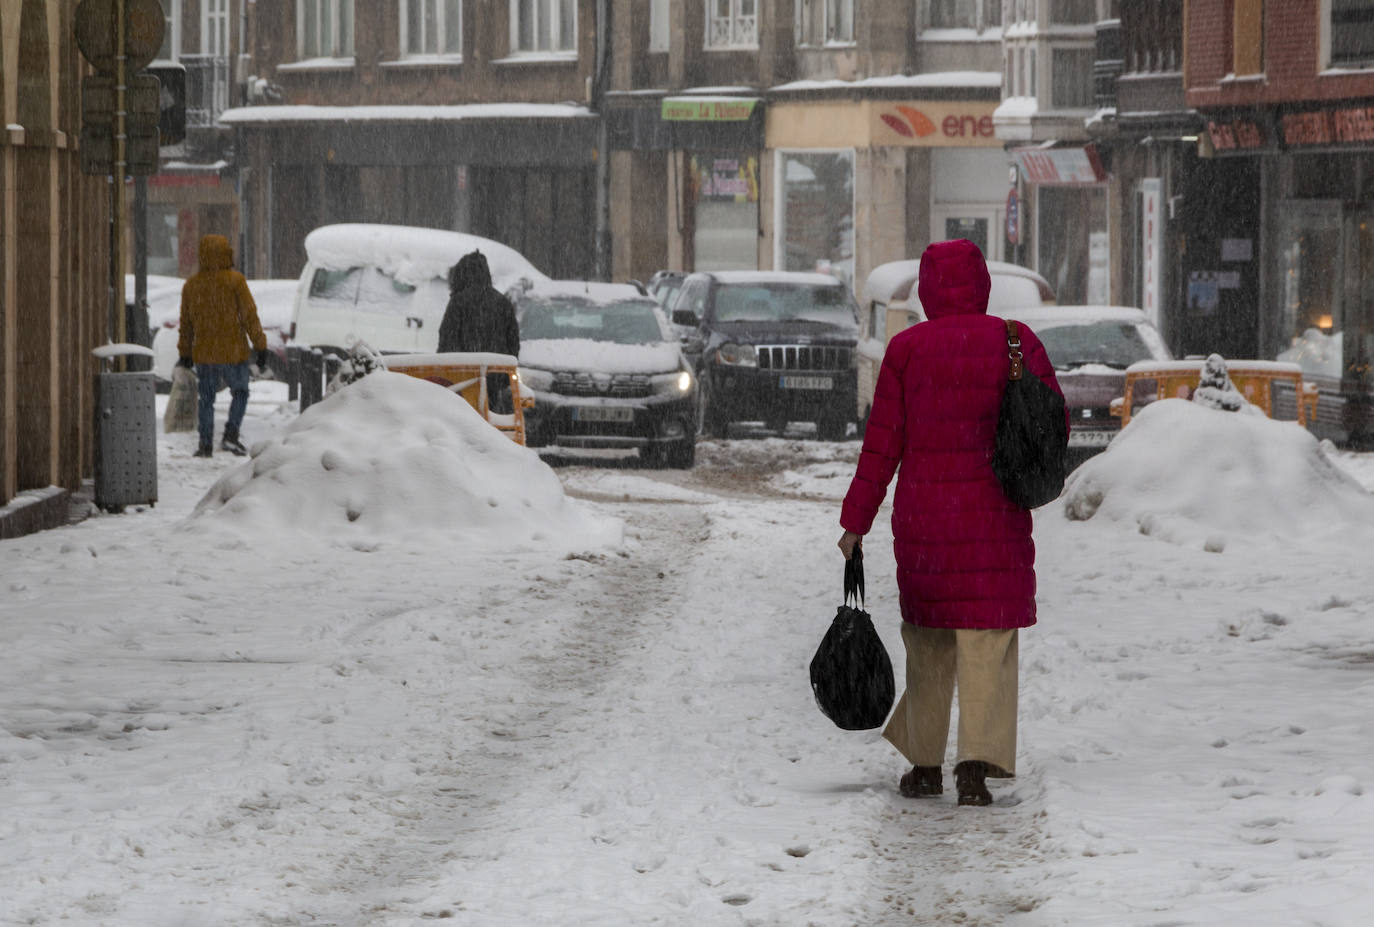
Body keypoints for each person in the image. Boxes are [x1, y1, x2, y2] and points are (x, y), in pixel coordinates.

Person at [836, 239, 1065, 807]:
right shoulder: (1016, 341)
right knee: (988, 644)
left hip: (926, 530)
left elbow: (881, 447)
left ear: (928, 290)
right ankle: (977, 765)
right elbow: (1049, 419)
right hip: (996, 522)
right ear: (982, 283)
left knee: (930, 644)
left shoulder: (907, 350)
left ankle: (922, 764)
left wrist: (855, 522)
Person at [177, 234, 268, 458]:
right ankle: (231, 435)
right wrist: (260, 346)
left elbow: (186, 324)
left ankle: (205, 443)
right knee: (241, 392)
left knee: (206, 399)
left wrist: (185, 353)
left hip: (205, 354)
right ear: (226, 253)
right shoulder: (235, 281)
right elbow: (249, 316)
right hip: (233, 353)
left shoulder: (192, 285)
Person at [438, 249, 521, 414]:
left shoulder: (458, 302)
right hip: (494, 379)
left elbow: (447, 343)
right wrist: (502, 378)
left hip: (462, 381)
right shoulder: (502, 302)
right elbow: (513, 344)